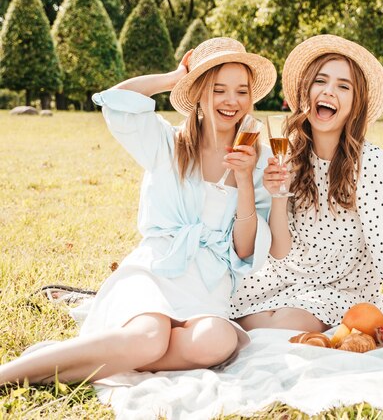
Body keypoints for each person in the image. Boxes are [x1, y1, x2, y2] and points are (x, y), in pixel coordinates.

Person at [0, 38, 277, 385]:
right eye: (218, 89)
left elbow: (245, 250)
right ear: (199, 94)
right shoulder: (168, 144)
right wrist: (174, 77)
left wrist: (244, 180)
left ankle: (92, 354)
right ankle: (9, 376)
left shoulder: (259, 160)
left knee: (216, 342)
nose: (231, 101)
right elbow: (117, 104)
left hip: (209, 285)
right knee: (149, 336)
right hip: (156, 267)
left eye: (241, 91)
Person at [231, 34, 383, 333]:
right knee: (229, 311)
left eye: (343, 86)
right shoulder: (288, 153)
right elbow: (280, 251)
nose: (329, 91)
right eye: (320, 81)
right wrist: (278, 194)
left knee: (281, 324)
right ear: (305, 93)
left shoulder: (368, 162)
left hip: (344, 288)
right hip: (286, 277)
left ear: (355, 103)